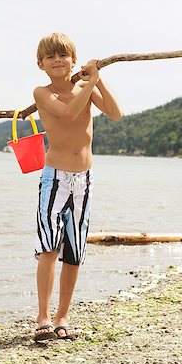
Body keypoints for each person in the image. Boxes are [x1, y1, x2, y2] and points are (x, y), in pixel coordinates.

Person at [33, 32, 123, 342]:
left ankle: (62, 317)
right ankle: (43, 316)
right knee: (49, 247)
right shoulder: (42, 93)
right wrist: (86, 83)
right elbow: (69, 113)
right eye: (51, 57)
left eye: (63, 56)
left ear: (73, 59)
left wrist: (97, 81)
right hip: (55, 178)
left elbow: (115, 113)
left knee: (74, 251)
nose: (58, 60)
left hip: (85, 180)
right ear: (41, 64)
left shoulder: (84, 89)